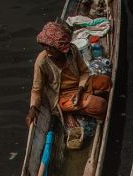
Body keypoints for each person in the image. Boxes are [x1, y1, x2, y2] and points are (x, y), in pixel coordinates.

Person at [27, 20, 112, 150]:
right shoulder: (42, 62)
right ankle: (69, 112)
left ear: (61, 49)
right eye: (45, 46)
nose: (47, 49)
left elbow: (84, 72)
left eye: (51, 47)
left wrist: (80, 89)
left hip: (80, 86)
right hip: (63, 96)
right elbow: (37, 89)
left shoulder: (72, 50)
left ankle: (79, 107)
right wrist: (33, 108)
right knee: (101, 105)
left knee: (106, 82)